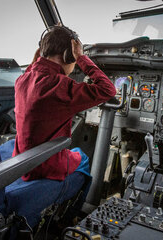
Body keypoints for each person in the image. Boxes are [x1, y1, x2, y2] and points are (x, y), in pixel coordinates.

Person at [13, 26, 116, 181]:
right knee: (83, 157)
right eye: (74, 60)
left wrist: (40, 55)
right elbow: (108, 90)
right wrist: (82, 58)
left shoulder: (21, 80)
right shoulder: (61, 86)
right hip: (44, 166)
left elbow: (34, 68)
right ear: (68, 56)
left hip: (21, 160)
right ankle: (78, 204)